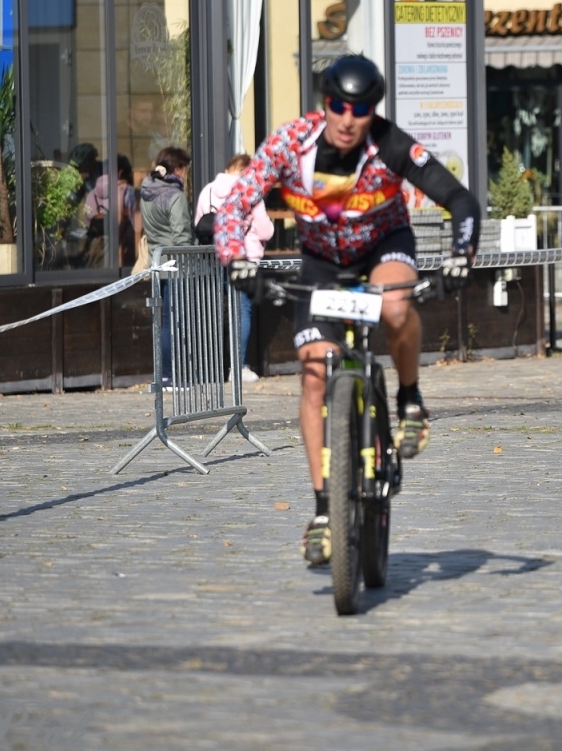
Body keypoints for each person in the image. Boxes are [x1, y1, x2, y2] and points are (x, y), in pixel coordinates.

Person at [212, 55, 479, 567]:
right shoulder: (292, 142)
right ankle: (321, 512)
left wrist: (460, 257)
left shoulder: (391, 144)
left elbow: (460, 200)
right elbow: (237, 203)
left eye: (360, 109)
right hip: (322, 263)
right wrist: (234, 259)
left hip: (384, 246)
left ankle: (410, 399)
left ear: (372, 110)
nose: (348, 119)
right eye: (338, 106)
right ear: (325, 104)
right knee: (314, 375)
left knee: (397, 306)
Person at [195, 154, 276, 384]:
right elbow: (266, 231)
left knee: (216, 311)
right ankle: (237, 367)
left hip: (216, 259)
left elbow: (198, 225)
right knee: (242, 312)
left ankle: (211, 369)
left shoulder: (208, 191)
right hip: (244, 259)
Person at [139, 146, 194, 386]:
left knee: (161, 323)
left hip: (156, 263)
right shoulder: (175, 196)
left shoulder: (147, 191)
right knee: (174, 323)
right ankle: (172, 375)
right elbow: (181, 235)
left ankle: (163, 373)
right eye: (185, 169)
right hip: (176, 266)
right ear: (179, 169)